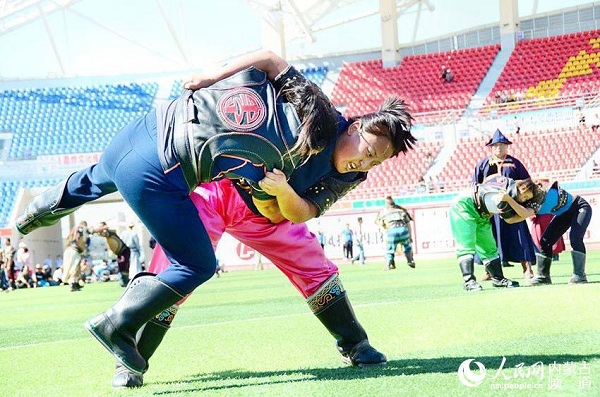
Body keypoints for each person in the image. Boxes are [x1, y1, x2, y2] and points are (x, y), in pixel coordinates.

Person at [14, 50, 416, 379]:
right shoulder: (320, 109)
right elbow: (271, 61)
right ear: (356, 127)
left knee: (313, 262)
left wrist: (278, 193)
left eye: (377, 161)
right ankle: (130, 358)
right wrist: (211, 77)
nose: (366, 162)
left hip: (271, 208)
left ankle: (355, 344)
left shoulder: (353, 174)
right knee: (179, 266)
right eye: (369, 150)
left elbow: (303, 212)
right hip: (215, 188)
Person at [500, 178, 592, 285]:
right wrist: (503, 212)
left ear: (525, 187)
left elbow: (524, 214)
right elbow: (513, 219)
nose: (525, 198)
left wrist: (508, 199)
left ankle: (580, 276)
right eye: (523, 198)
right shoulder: (529, 202)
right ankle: (543, 277)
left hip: (579, 206)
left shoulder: (539, 192)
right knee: (545, 242)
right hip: (564, 214)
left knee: (575, 239)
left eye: (525, 195)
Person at [473, 129, 536, 279]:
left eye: (502, 145)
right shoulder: (483, 164)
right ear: (491, 147)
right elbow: (475, 186)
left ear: (507, 146)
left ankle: (527, 269)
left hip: (513, 207)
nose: (499, 148)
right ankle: (490, 271)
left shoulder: (514, 164)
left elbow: (527, 184)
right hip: (491, 210)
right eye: (495, 145)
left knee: (520, 236)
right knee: (489, 238)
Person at [449, 175, 524, 291]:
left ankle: (498, 279)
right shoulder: (508, 192)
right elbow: (509, 218)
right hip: (464, 205)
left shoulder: (509, 188)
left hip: (482, 212)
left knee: (489, 246)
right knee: (466, 244)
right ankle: (469, 281)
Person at [375, 196, 415, 270]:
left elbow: (378, 223)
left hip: (391, 231)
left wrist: (384, 230)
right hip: (403, 230)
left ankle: (389, 264)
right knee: (407, 247)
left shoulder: (383, 211)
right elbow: (408, 224)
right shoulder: (401, 210)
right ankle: (410, 260)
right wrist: (410, 236)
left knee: (389, 249)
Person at [94, 222, 132, 287]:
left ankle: (125, 281)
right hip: (119, 253)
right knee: (121, 266)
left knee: (124, 266)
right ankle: (123, 281)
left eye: (101, 227)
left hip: (124, 250)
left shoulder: (109, 232)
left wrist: (95, 230)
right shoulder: (104, 234)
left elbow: (103, 233)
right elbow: (100, 234)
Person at [61, 225, 89, 291]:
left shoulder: (75, 232)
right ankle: (72, 284)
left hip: (75, 251)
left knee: (77, 268)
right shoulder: (80, 230)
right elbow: (77, 238)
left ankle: (76, 283)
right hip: (74, 250)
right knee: (74, 268)